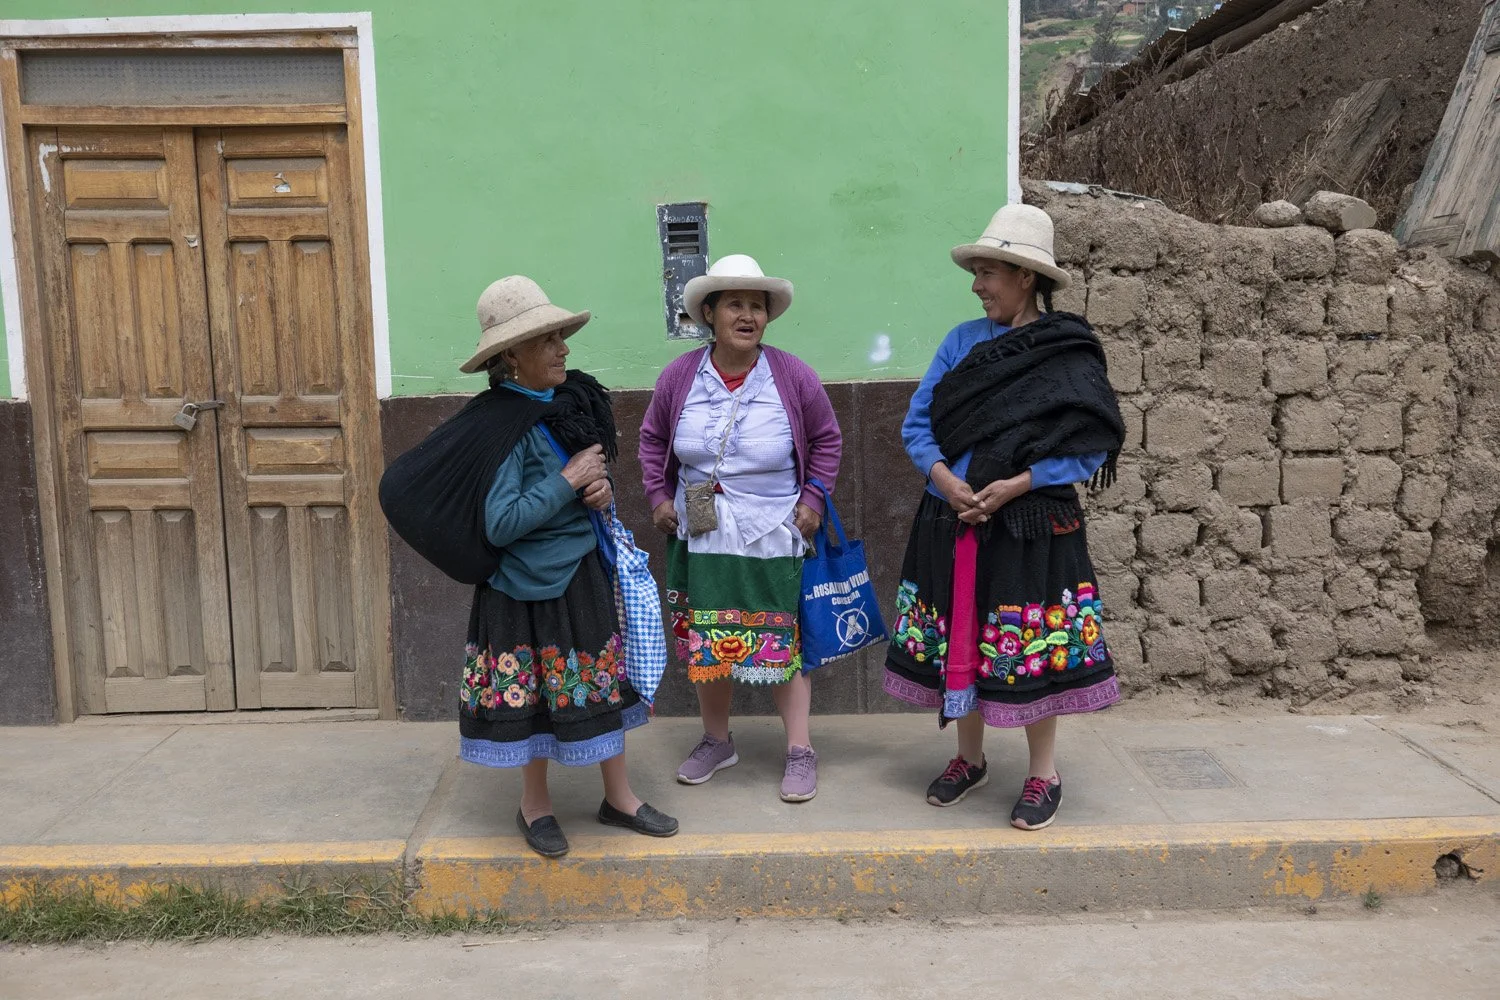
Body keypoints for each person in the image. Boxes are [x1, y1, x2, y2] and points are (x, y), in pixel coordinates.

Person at [884, 205, 1126, 831]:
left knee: (1028, 642)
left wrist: (1021, 482)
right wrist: (945, 480)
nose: (977, 286)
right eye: (977, 273)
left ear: (1025, 276)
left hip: (1032, 526)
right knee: (961, 633)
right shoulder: (961, 342)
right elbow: (918, 424)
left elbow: (1089, 444)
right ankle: (970, 758)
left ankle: (1044, 773)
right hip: (952, 518)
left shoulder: (1065, 351)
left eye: (988, 273)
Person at [456, 275, 677, 857]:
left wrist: (596, 490)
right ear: (512, 355)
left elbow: (576, 482)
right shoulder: (498, 425)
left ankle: (619, 798)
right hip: (522, 589)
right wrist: (569, 479)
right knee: (533, 697)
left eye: (560, 336)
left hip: (579, 574)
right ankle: (535, 806)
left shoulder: (562, 406)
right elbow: (501, 522)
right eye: (549, 339)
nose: (563, 348)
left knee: (602, 685)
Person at [639, 254, 843, 802]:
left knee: (781, 637)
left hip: (773, 529)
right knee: (709, 638)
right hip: (701, 529)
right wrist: (658, 496)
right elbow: (653, 438)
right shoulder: (680, 377)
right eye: (735, 304)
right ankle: (716, 741)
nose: (748, 316)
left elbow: (826, 438)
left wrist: (813, 498)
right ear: (709, 313)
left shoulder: (792, 375)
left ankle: (799, 750)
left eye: (757, 306)